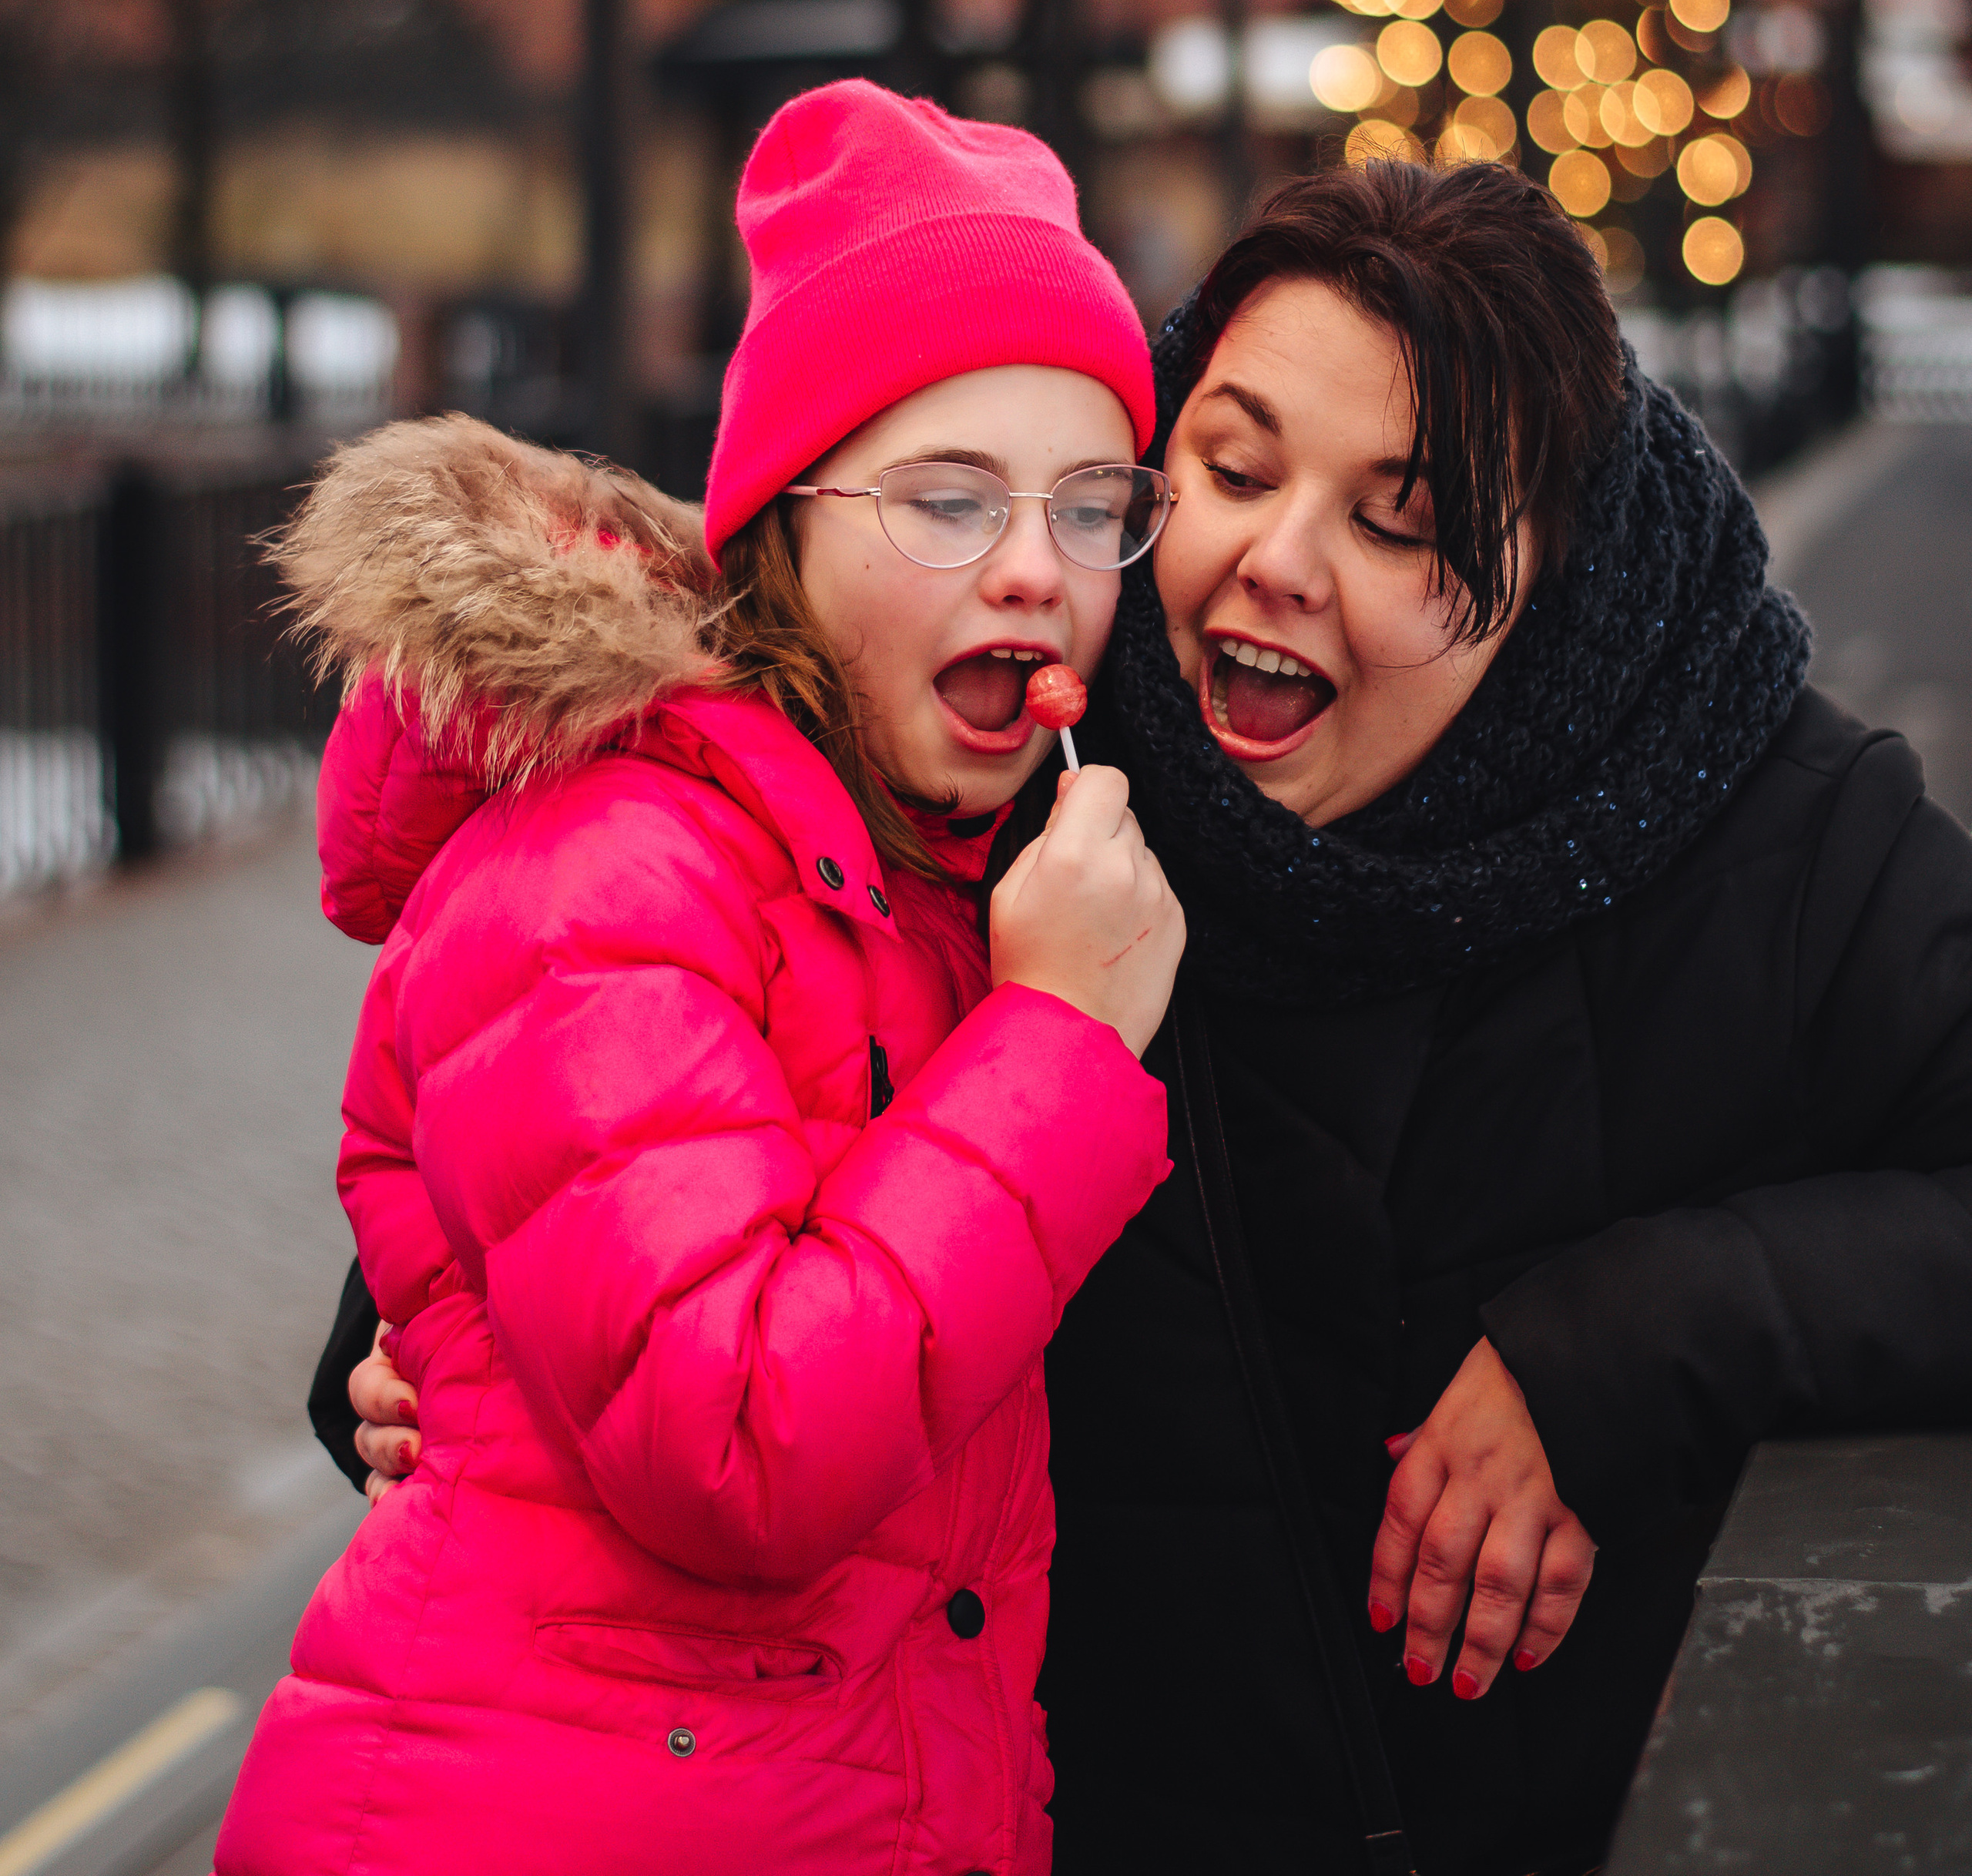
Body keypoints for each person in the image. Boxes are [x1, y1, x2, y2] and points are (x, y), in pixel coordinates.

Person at [327, 149, 1972, 1874]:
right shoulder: (999, 776)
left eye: (1395, 521)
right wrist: (418, 1358)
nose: (1272, 561)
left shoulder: (1760, 828)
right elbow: (581, 1155)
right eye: (1231, 468)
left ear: (1552, 584)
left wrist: (1634, 1340)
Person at [214, 81, 1184, 1876]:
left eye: (1090, 503)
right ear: (785, 531)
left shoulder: (931, 860)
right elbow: (742, 1435)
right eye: (950, 499)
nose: (1038, 573)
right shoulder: (617, 857)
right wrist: (1055, 1042)